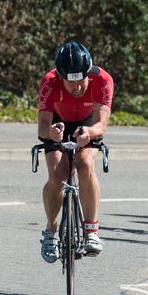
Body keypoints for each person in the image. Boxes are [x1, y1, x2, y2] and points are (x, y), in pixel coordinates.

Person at [37, 41, 114, 263]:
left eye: (81, 81)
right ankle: (51, 230)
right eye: (70, 84)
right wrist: (51, 132)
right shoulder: (49, 82)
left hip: (87, 124)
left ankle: (91, 231)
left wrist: (89, 132)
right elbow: (42, 126)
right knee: (57, 176)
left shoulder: (103, 80)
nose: (77, 87)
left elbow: (102, 125)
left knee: (86, 163)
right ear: (60, 77)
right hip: (58, 125)